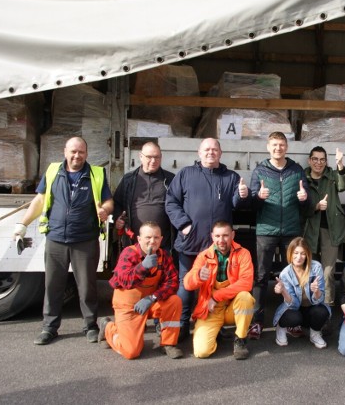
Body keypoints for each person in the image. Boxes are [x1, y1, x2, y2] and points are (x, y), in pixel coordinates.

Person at [13, 137, 113, 345]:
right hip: (56, 239)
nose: (77, 156)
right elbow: (40, 200)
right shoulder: (52, 172)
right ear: (65, 151)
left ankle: (90, 326)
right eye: (73, 151)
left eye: (81, 152)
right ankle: (49, 328)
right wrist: (22, 225)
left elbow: (108, 200)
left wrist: (105, 210)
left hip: (85, 240)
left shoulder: (97, 173)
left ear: (87, 153)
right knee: (53, 286)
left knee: (87, 287)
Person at [165, 138, 250, 341]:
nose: (210, 152)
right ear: (199, 152)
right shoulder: (186, 174)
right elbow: (171, 202)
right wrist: (184, 225)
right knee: (186, 286)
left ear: (221, 153)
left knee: (217, 286)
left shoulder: (231, 177)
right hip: (191, 242)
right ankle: (183, 325)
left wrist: (242, 195)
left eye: (214, 149)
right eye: (207, 149)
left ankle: (216, 323)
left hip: (219, 246)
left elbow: (237, 204)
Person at [248, 131, 309, 339]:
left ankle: (290, 320)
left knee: (292, 276)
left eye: (281, 145)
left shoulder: (296, 170)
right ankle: (257, 321)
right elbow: (252, 205)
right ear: (268, 147)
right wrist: (258, 197)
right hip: (266, 230)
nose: (278, 148)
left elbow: (307, 204)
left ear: (287, 147)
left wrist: (303, 198)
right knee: (261, 276)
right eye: (274, 145)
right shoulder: (259, 171)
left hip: (291, 231)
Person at [98, 222, 183, 359]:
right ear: (139, 239)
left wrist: (152, 298)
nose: (152, 241)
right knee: (131, 352)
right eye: (148, 237)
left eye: (156, 238)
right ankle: (108, 328)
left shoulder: (164, 255)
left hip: (149, 303)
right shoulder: (129, 253)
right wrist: (143, 267)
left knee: (174, 301)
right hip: (128, 307)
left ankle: (168, 343)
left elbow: (172, 282)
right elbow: (124, 281)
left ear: (161, 239)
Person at [184, 221, 254, 360]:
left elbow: (246, 283)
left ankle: (240, 339)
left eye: (225, 235)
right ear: (212, 236)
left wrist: (216, 296)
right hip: (211, 310)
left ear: (233, 235)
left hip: (230, 307)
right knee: (201, 352)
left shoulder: (243, 253)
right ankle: (216, 332)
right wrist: (197, 277)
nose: (221, 240)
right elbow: (187, 284)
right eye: (217, 236)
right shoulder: (204, 256)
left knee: (245, 297)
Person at [302, 146, 345, 329]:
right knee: (311, 274)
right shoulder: (303, 179)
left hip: (331, 231)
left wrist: (340, 165)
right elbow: (299, 206)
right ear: (309, 160)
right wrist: (316, 207)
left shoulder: (331, 175)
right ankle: (310, 311)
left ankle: (327, 313)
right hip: (310, 231)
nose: (318, 163)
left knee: (328, 273)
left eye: (322, 159)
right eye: (315, 159)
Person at [113, 141, 175, 251]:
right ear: (140, 157)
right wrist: (117, 217)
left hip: (163, 246)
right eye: (149, 157)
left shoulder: (171, 180)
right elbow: (117, 203)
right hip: (134, 244)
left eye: (157, 157)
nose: (153, 161)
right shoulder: (129, 179)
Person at [273, 237, 331, 349]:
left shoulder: (316, 267)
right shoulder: (285, 274)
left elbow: (319, 300)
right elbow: (293, 305)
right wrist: (284, 291)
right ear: (290, 253)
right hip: (295, 308)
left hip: (311, 307)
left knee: (322, 311)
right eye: (296, 253)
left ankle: (315, 333)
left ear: (307, 255)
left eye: (303, 254)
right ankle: (281, 328)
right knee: (294, 317)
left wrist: (317, 291)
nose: (299, 257)